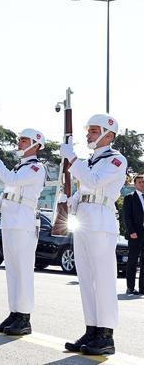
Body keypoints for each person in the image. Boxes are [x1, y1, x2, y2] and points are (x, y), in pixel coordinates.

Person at [59, 114, 127, 355]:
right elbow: (84, 188)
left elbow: (94, 182)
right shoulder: (90, 161)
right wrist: (70, 201)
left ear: (108, 134)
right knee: (86, 278)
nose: (88, 134)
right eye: (88, 130)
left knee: (103, 279)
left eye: (94, 130)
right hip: (85, 220)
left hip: (101, 222)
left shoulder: (116, 160)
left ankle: (106, 334)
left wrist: (72, 159)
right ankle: (92, 330)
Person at [0, 129, 47, 336]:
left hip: (24, 224)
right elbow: (10, 194)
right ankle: (14, 312)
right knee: (11, 271)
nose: (19, 143)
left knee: (23, 271)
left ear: (36, 144)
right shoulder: (20, 168)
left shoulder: (36, 167)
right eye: (19, 139)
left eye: (24, 140)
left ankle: (24, 317)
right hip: (10, 222)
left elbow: (12, 180)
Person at [123, 175, 144, 295]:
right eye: (140, 182)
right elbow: (127, 217)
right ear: (135, 184)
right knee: (132, 261)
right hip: (135, 234)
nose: (142, 184)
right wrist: (131, 232)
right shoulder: (129, 198)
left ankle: (142, 288)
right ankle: (130, 287)